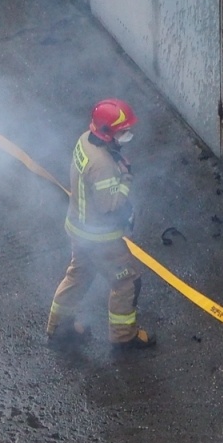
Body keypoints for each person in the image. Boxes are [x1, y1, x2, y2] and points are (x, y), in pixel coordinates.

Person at [46, 98, 156, 350]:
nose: (127, 135)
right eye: (122, 131)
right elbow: (110, 205)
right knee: (126, 282)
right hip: (99, 238)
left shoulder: (86, 140)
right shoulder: (104, 166)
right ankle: (124, 336)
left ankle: (60, 328)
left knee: (78, 276)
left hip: (78, 227)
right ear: (107, 133)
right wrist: (126, 177)